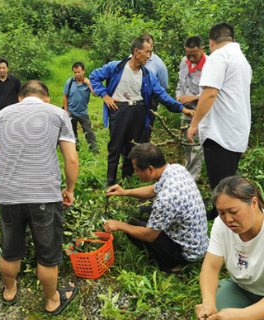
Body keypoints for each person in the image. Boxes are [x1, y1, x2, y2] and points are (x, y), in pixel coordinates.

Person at [0, 80, 79, 314]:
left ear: (20, 98)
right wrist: (69, 190)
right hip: (44, 196)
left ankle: (9, 290)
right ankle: (51, 301)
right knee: (47, 254)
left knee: (10, 249)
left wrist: (1, 189)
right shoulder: (58, 114)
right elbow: (71, 159)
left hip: (9, 195)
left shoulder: (0, 116)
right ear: (47, 98)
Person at [90, 36, 194, 187]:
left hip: (138, 111)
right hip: (119, 110)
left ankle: (127, 177)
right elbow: (94, 76)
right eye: (147, 52)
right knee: (115, 145)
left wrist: (182, 108)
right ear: (136, 51)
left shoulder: (147, 75)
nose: (149, 56)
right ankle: (110, 181)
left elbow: (161, 94)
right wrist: (105, 95)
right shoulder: (116, 67)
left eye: (150, 52)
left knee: (133, 146)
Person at [104, 143, 209, 273]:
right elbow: (154, 189)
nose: (136, 173)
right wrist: (124, 192)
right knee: (140, 212)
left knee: (132, 227)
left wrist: (120, 225)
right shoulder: (176, 169)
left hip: (188, 252)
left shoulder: (166, 198)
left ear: (150, 169)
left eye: (137, 170)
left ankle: (172, 265)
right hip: (197, 240)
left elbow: (148, 236)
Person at [187, 23, 252, 220]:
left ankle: (224, 221)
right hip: (236, 129)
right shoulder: (241, 59)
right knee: (226, 178)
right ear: (232, 39)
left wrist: (194, 123)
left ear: (211, 43)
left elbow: (209, 94)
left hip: (221, 131)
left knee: (221, 183)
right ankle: (217, 212)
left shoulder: (219, 57)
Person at [195, 176, 264, 320]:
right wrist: (208, 303)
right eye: (221, 213)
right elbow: (210, 268)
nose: (228, 219)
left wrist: (243, 315)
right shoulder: (221, 225)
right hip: (241, 288)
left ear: (254, 203)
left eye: (233, 212)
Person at [176, 36, 207, 181]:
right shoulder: (184, 62)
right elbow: (180, 83)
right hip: (186, 111)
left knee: (195, 145)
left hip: (200, 112)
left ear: (202, 49)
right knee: (187, 143)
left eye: (195, 55)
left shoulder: (209, 65)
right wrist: (179, 97)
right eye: (189, 55)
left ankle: (191, 179)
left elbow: (211, 91)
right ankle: (188, 173)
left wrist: (193, 97)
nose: (192, 58)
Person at [138, 33, 169, 143]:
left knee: (145, 131)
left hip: (150, 101)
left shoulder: (158, 64)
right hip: (132, 99)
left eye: (150, 46)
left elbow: (163, 85)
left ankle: (142, 156)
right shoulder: (129, 60)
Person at [63, 62, 99, 153]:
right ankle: (75, 149)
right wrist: (66, 110)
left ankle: (94, 150)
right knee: (72, 133)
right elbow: (65, 96)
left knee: (89, 133)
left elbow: (95, 94)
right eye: (75, 72)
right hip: (71, 113)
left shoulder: (87, 83)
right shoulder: (70, 82)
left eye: (79, 72)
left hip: (83, 113)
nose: (77, 74)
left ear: (83, 71)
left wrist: (89, 84)